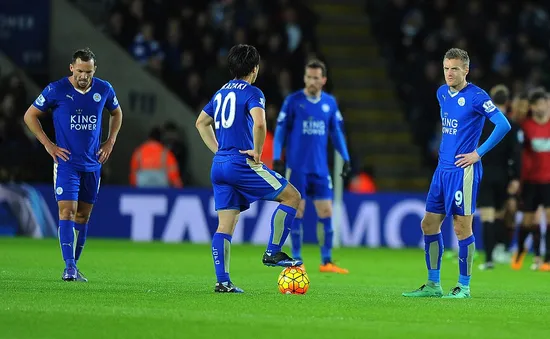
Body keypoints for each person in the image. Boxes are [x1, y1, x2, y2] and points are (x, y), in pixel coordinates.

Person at [402, 48, 510, 299]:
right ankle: (433, 284)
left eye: (455, 69)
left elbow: (503, 124)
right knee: (428, 224)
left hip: (464, 171)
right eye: (446, 68)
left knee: (462, 227)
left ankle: (464, 286)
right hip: (442, 170)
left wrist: (478, 153)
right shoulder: (442, 93)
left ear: (466, 71)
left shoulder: (476, 96)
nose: (449, 73)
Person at [195, 44, 302, 293]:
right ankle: (273, 253)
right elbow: (260, 123)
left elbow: (201, 123)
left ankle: (223, 282)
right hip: (240, 163)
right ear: (255, 68)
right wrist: (257, 151)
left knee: (225, 225)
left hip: (219, 164)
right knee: (292, 196)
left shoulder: (220, 92)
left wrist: (218, 150)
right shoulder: (253, 92)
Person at [23, 48, 123, 281]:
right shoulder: (56, 89)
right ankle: (68, 266)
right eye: (79, 71)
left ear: (94, 70)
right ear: (71, 68)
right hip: (66, 162)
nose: (84, 76)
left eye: (88, 72)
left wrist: (110, 141)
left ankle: (74, 266)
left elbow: (117, 113)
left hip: (93, 164)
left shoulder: (104, 88)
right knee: (67, 211)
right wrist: (49, 145)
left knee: (83, 217)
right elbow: (30, 115)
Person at [272, 59, 351, 274]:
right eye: (308, 77)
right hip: (297, 167)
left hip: (320, 169)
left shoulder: (329, 103)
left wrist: (346, 158)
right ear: (304, 78)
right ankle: (297, 260)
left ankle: (326, 261)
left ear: (323, 80)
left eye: (316, 78)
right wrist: (277, 157)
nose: (312, 81)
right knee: (298, 211)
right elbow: (280, 131)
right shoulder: (293, 101)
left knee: (326, 211)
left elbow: (336, 133)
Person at [476, 84, 521, 270]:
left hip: (483, 173)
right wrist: (516, 178)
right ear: (508, 102)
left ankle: (488, 259)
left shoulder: (480, 122)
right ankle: (501, 248)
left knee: (487, 217)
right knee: (501, 215)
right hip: (503, 175)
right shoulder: (512, 125)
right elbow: (516, 154)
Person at [512, 89, 550, 271]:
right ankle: (520, 251)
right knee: (528, 221)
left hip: (548, 180)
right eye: (537, 104)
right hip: (530, 180)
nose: (541, 107)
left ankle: (547, 259)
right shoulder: (525, 126)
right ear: (533, 107)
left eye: (544, 103)